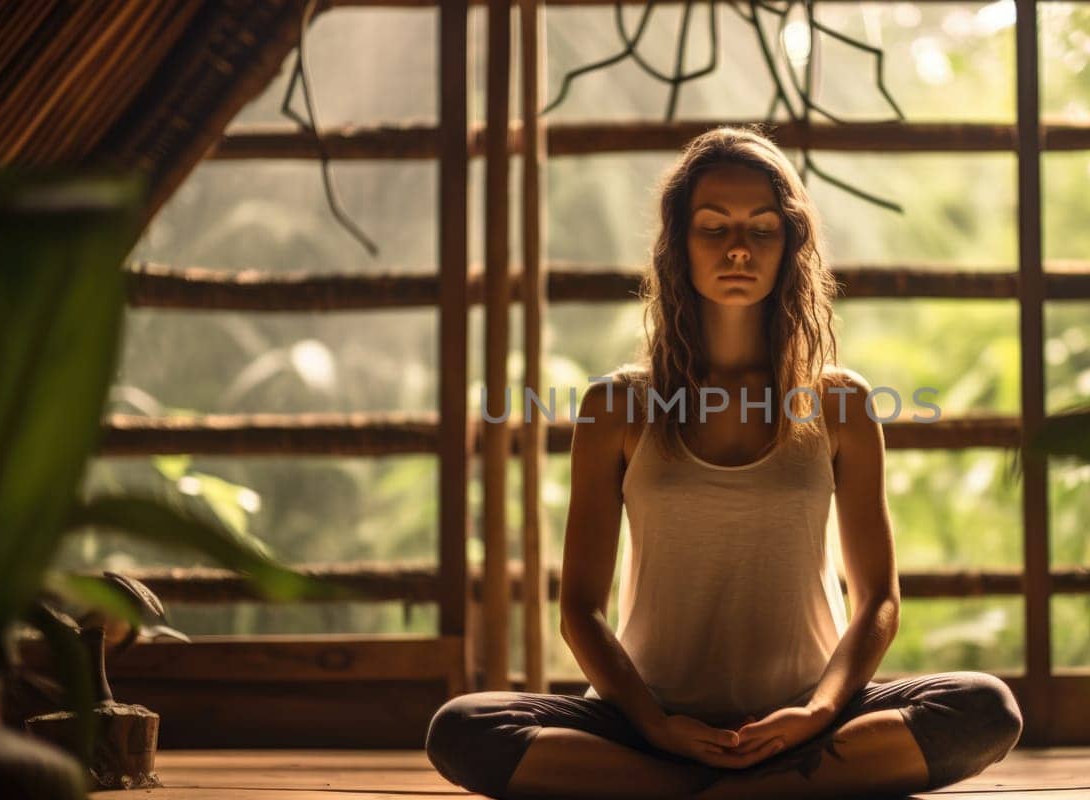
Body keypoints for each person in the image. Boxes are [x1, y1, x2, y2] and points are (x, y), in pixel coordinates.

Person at [426, 127, 1021, 799]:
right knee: (464, 727)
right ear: (678, 244)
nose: (738, 248)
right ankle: (747, 789)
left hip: (805, 720)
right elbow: (582, 611)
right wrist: (656, 725)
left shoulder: (842, 404)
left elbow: (878, 598)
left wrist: (820, 712)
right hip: (649, 720)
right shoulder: (616, 407)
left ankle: (692, 791)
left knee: (983, 707)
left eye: (761, 231)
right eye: (713, 229)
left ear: (788, 246)